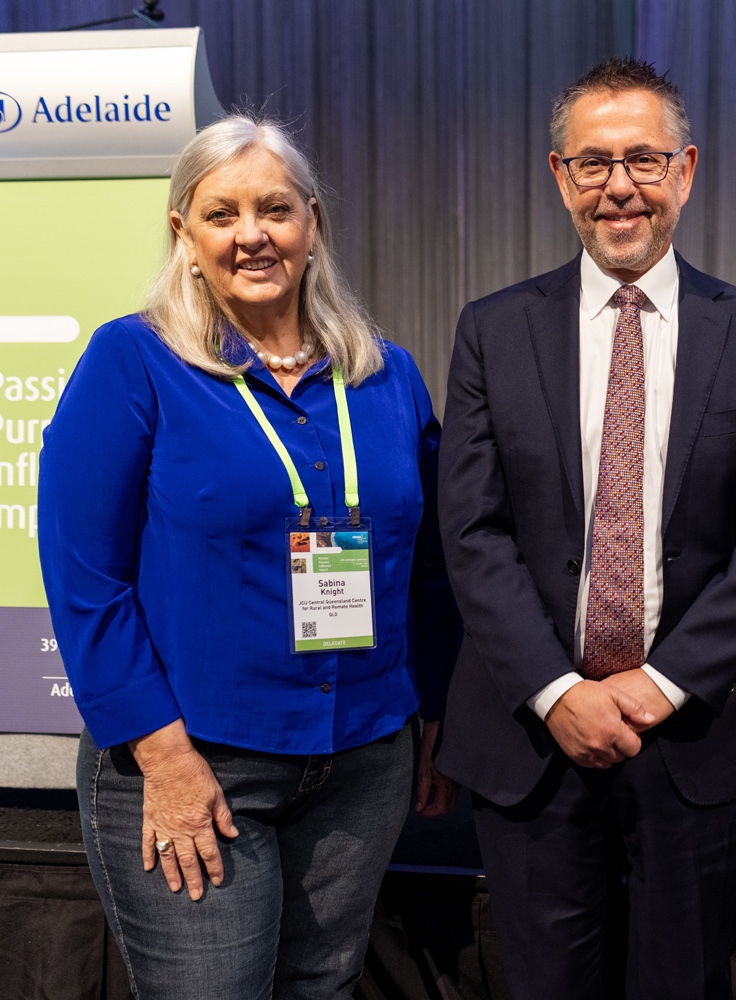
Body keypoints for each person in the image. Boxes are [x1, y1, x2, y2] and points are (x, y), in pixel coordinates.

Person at [38, 115, 460, 1000]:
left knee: (324, 988)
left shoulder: (387, 375)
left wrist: (434, 713)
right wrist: (163, 756)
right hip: (194, 758)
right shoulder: (134, 361)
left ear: (312, 222)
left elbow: (428, 566)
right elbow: (86, 578)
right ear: (183, 233)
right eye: (222, 214)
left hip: (366, 757)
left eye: (274, 209)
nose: (252, 235)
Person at [434, 57, 736, 1000]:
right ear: (559, 176)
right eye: (593, 163)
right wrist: (559, 690)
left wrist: (658, 683)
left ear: (685, 170)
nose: (619, 186)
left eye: (643, 160)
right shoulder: (492, 331)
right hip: (533, 734)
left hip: (694, 735)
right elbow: (472, 532)